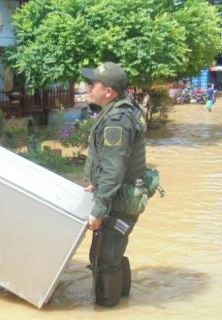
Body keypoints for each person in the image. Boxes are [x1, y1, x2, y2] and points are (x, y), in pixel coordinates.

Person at [81, 62, 147, 308]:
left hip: (119, 201)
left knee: (104, 258)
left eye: (93, 83)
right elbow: (109, 163)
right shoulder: (115, 111)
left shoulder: (117, 120)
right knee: (112, 253)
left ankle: (107, 308)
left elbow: (114, 169)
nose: (89, 87)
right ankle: (123, 303)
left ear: (108, 91)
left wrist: (98, 210)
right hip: (118, 196)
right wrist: (95, 186)